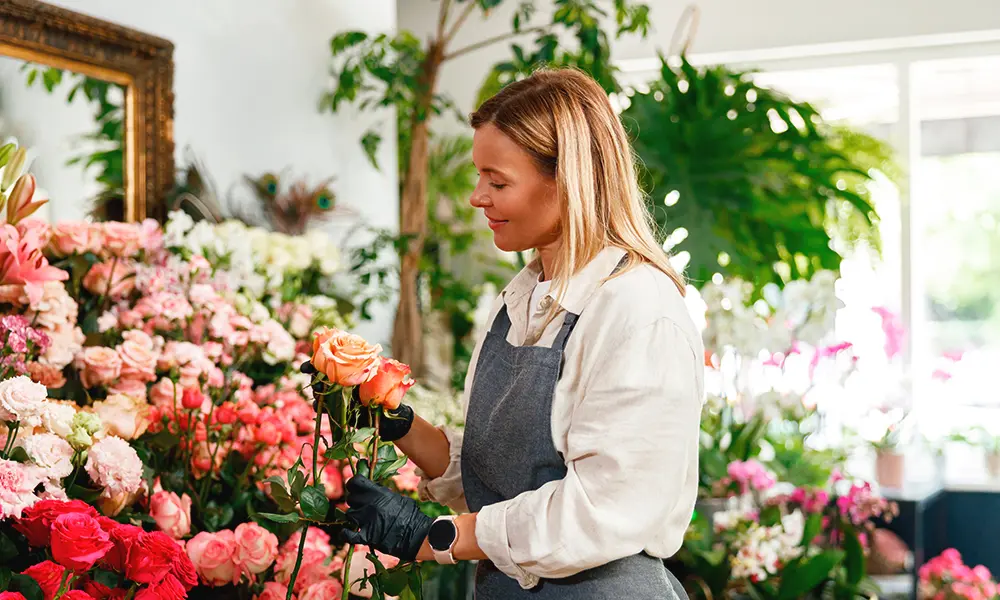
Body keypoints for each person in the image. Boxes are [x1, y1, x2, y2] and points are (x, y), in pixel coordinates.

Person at [335, 68, 703, 599]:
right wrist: (396, 422)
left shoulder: (639, 311)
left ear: (567, 180)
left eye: (498, 181)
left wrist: (432, 537)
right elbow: (500, 483)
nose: (476, 197)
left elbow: (599, 511)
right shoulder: (520, 301)